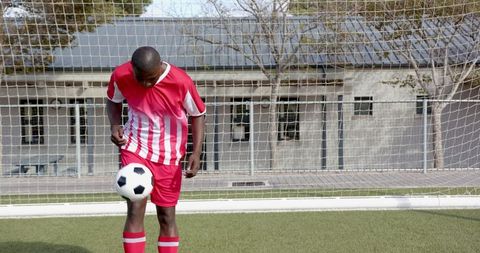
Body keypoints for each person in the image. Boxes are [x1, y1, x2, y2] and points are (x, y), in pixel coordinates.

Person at [106, 46, 206, 253]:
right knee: (135, 208)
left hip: (169, 154)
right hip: (134, 146)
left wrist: (196, 152)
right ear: (131, 69)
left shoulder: (181, 81)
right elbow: (113, 101)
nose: (145, 84)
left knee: (166, 216)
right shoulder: (120, 75)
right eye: (140, 78)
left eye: (151, 79)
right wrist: (115, 125)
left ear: (160, 67)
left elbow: (197, 114)